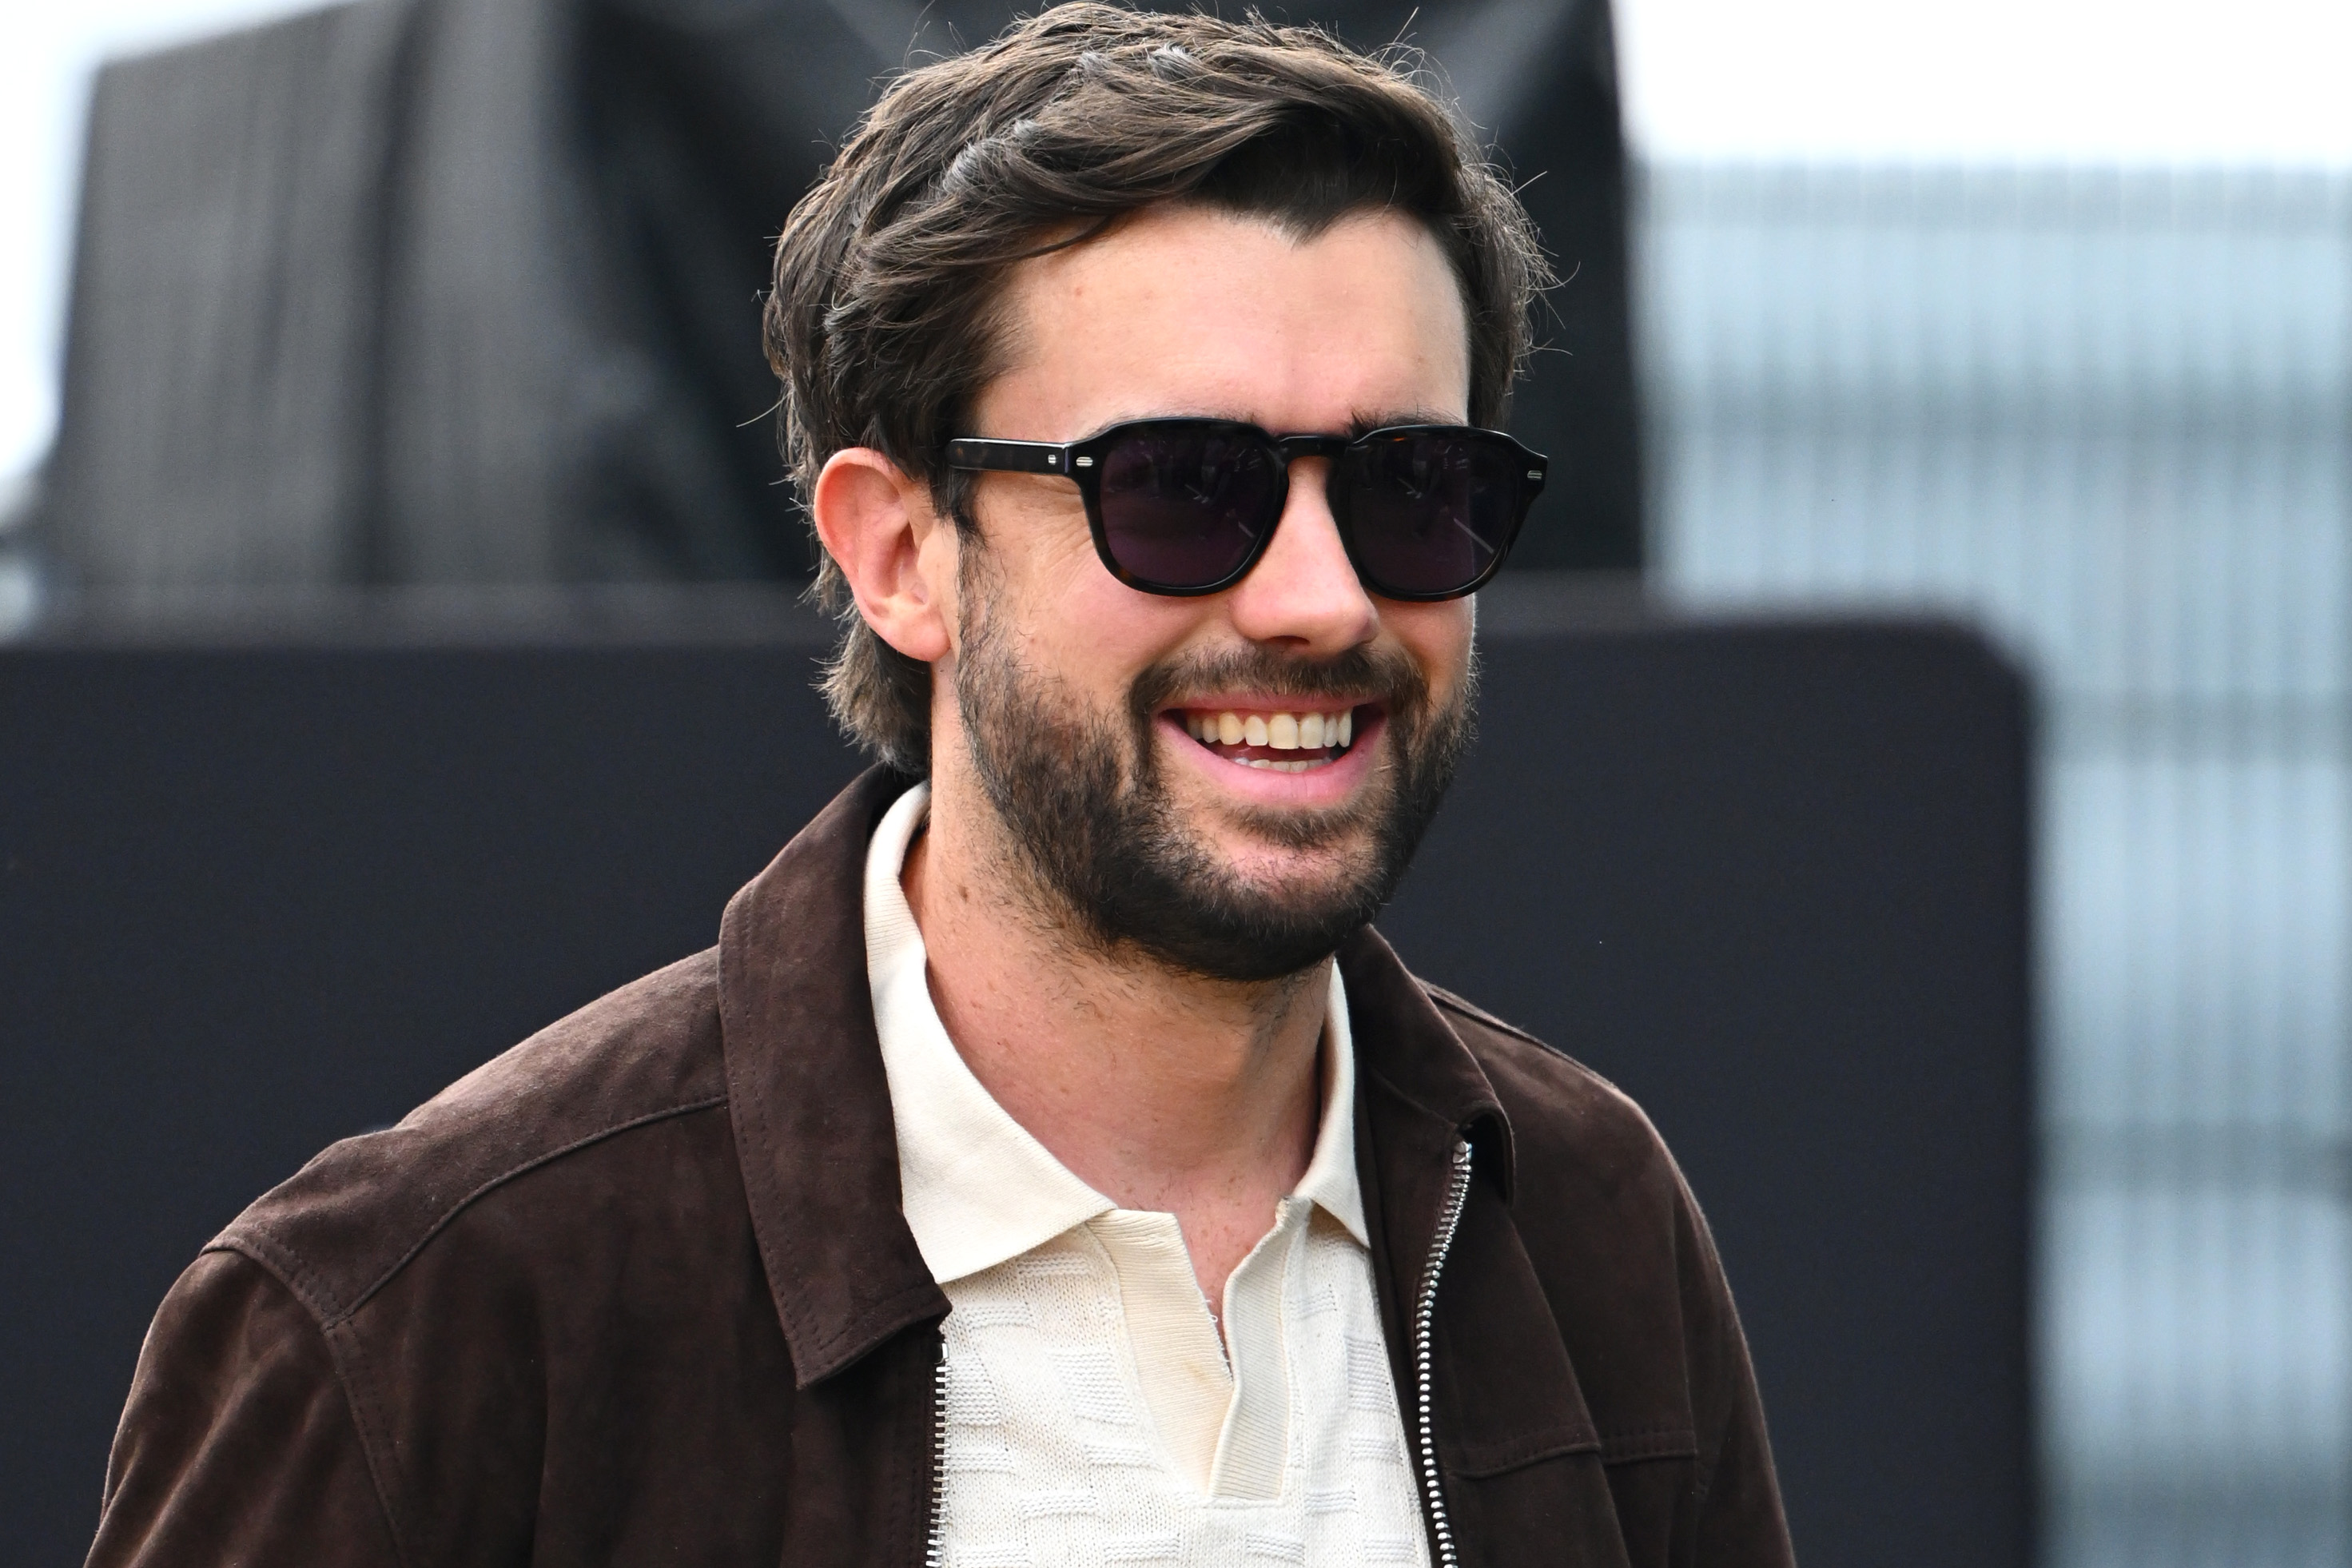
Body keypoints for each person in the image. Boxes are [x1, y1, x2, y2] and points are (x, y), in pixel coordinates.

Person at [86, 9, 1791, 1565]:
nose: (1318, 598)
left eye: (1410, 490)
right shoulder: (422, 1315)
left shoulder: (1581, 1224)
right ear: (899, 554)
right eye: (1183, 487)